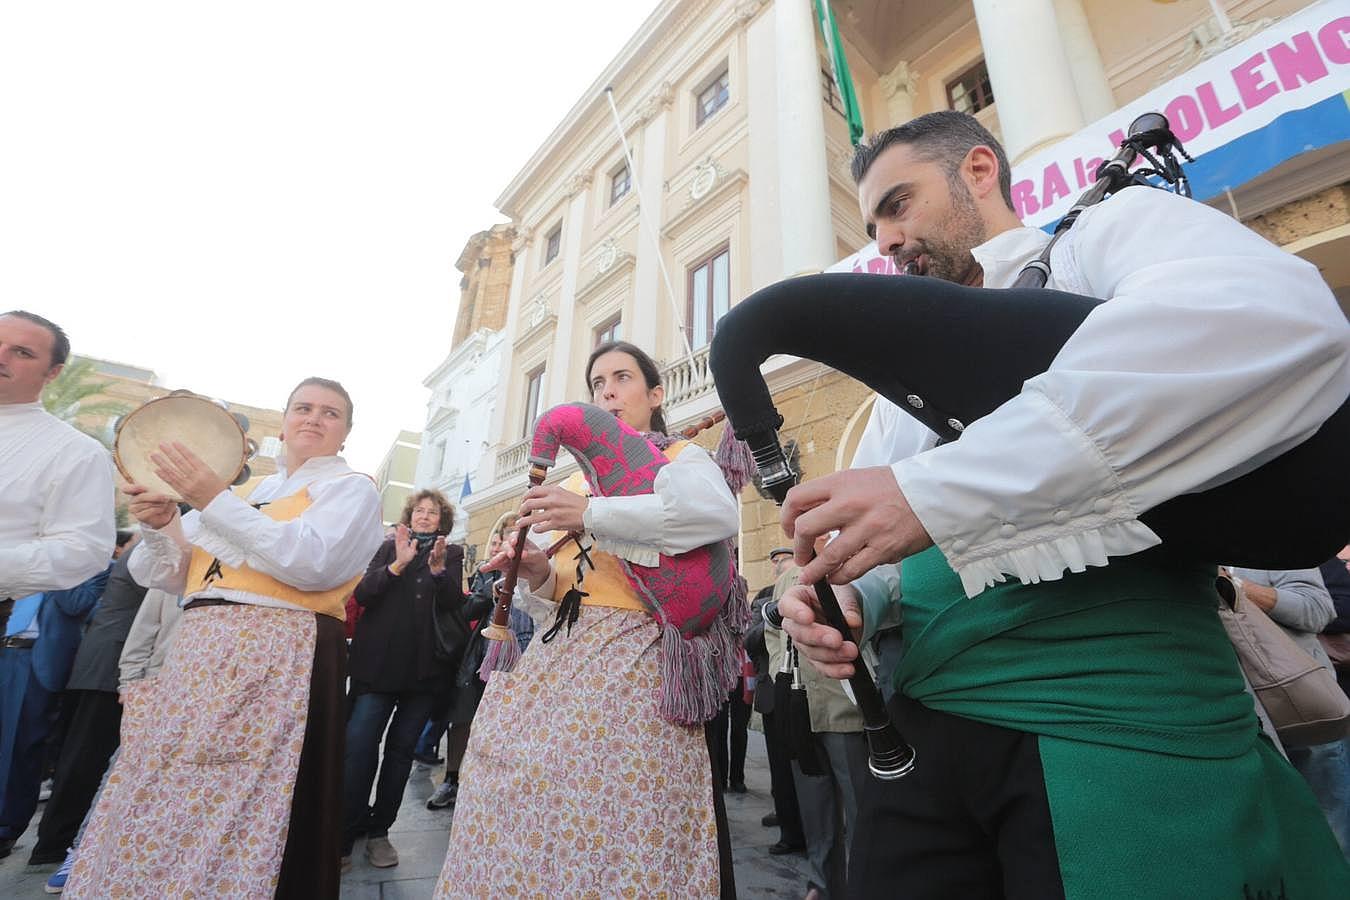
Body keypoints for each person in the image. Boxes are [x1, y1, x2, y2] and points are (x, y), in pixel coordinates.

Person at [774, 111, 1350, 897]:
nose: (883, 241)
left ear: (979, 171)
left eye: (899, 205)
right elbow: (895, 557)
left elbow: (1269, 317)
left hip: (1122, 721)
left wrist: (939, 489)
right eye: (874, 223)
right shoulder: (891, 394)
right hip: (925, 736)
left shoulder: (1100, 239)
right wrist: (849, 598)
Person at [433, 340, 742, 898]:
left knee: (623, 805)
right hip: (561, 650)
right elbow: (561, 590)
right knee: (514, 784)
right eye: (598, 384)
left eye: (622, 378)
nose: (608, 392)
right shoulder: (573, 481)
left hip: (637, 653)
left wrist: (593, 514)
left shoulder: (680, 458)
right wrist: (533, 572)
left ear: (655, 393)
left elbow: (714, 514)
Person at [65, 376, 384, 900]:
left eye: (330, 413)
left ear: (345, 433)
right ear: (283, 422)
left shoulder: (350, 488)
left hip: (283, 650)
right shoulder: (247, 491)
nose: (313, 418)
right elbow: (167, 572)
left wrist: (210, 498)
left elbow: (311, 563)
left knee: (255, 795)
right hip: (200, 652)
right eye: (302, 408)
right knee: (174, 786)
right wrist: (162, 520)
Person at [341, 489, 465, 871]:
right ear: (410, 516)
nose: (425, 516)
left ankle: (380, 832)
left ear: (441, 520)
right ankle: (345, 834)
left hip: (423, 673)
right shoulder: (387, 546)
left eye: (433, 512)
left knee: (398, 755)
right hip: (377, 669)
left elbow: (450, 605)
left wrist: (439, 571)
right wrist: (398, 564)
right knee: (360, 748)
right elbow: (363, 593)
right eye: (420, 511)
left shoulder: (452, 553)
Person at [42, 584, 183, 894]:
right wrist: (131, 684)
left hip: (211, 692)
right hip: (159, 685)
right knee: (121, 771)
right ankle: (80, 851)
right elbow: (144, 629)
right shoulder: (177, 569)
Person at [30, 534, 145, 866]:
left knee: (81, 756)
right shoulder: (149, 549)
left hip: (103, 661)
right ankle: (55, 845)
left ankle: (55, 842)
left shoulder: (141, 547)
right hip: (109, 664)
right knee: (85, 759)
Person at [0, 311, 116, 615]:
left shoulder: (77, 452)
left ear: (53, 373)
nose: (2, 357)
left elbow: (84, 550)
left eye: (21, 352)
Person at [1228, 567, 1350, 856]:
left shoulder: (1277, 544)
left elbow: (1319, 609)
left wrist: (1233, 586)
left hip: (1303, 707)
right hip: (1238, 718)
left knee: (1330, 820)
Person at [0, 562, 111, 860]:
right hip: (5, 651)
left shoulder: (95, 568)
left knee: (21, 750)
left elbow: (78, 605)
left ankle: (6, 827)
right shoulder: (18, 555)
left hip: (35, 663)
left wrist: (57, 565)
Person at [425, 522, 534, 811]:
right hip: (481, 655)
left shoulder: (538, 566)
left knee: (509, 722)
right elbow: (468, 610)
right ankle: (452, 780)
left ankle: (495, 784)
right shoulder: (488, 572)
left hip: (524, 655)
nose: (504, 544)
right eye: (500, 538)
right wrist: (494, 584)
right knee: (463, 718)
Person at [746, 547, 807, 853]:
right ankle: (789, 826)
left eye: (782, 562)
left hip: (808, 691)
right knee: (781, 768)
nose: (777, 569)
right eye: (777, 565)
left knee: (808, 766)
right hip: (774, 691)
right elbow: (750, 637)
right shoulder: (766, 597)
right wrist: (773, 616)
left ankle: (808, 826)